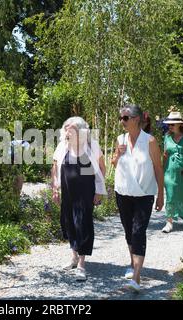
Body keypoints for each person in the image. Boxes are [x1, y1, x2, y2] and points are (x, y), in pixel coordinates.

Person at [111, 104, 164, 293]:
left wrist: (161, 195)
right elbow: (114, 163)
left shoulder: (149, 141)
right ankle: (135, 270)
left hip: (144, 194)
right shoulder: (120, 139)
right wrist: (118, 154)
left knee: (138, 232)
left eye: (125, 118)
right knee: (128, 232)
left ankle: (135, 277)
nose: (122, 122)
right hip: (123, 192)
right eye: (121, 118)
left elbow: (158, 168)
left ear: (136, 119)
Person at [51, 117, 107, 281]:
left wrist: (99, 190)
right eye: (66, 127)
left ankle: (82, 263)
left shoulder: (92, 146)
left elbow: (102, 169)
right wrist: (55, 189)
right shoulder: (62, 146)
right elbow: (54, 168)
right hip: (68, 192)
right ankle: (74, 257)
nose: (68, 129)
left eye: (72, 127)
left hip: (85, 191)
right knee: (68, 221)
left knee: (82, 222)